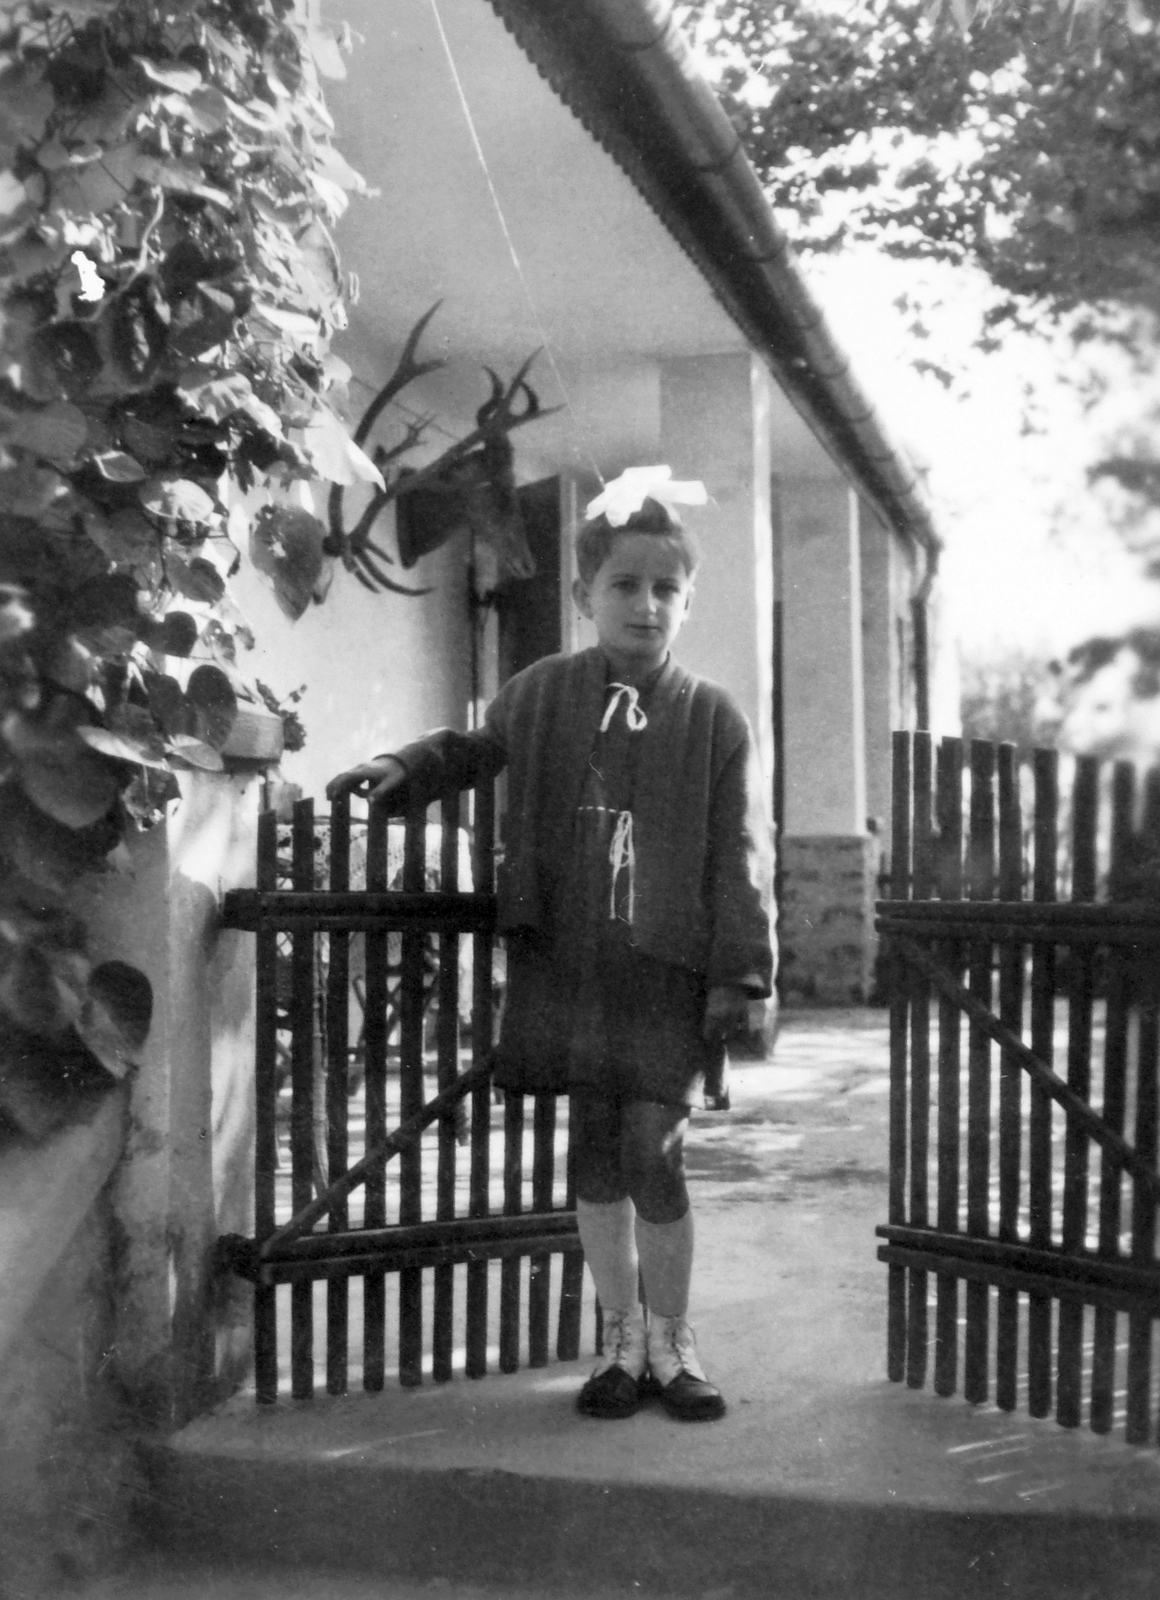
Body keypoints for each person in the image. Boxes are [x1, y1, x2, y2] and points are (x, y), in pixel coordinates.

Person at [326, 467, 774, 1423]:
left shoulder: (713, 718)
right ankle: (619, 1343)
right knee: (593, 1155)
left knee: (655, 1149)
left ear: (688, 601)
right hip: (567, 961)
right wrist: (402, 764)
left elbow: (738, 854)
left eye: (665, 589)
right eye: (624, 585)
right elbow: (473, 748)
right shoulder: (540, 693)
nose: (645, 605)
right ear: (583, 597)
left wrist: (743, 973)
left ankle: (674, 1342)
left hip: (666, 970)